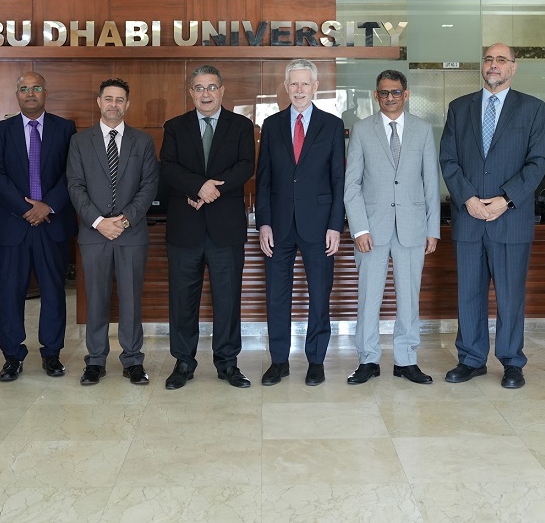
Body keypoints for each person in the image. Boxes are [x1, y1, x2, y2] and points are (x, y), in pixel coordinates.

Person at [439, 43, 545, 389]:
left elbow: (537, 163)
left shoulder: (532, 108)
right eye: (488, 59)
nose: (494, 65)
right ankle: (471, 359)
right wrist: (468, 198)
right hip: (469, 217)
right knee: (468, 293)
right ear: (481, 66)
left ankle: (512, 362)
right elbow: (448, 159)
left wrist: (505, 199)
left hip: (509, 218)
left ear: (513, 67)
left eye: (501, 60)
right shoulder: (459, 108)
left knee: (510, 295)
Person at [159, 65, 256, 390]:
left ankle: (228, 363)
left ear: (222, 90)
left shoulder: (241, 125)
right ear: (191, 92)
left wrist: (211, 190)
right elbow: (168, 167)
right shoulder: (175, 126)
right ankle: (183, 361)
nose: (205, 94)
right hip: (185, 228)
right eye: (199, 88)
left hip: (225, 229)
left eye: (211, 87)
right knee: (182, 299)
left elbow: (245, 166)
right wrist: (197, 187)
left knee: (227, 299)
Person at [344, 70, 440, 385]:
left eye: (395, 92)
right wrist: (359, 229)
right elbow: (352, 185)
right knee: (368, 298)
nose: (389, 98)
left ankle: (406, 361)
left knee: (409, 297)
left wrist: (432, 229)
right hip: (371, 230)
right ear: (376, 95)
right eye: (384, 92)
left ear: (406, 94)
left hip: (412, 228)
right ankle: (368, 360)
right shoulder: (361, 130)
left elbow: (430, 183)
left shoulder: (423, 130)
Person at [256, 59, 346, 386]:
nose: (299, 90)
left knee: (319, 294)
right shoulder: (272, 125)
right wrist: (263, 223)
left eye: (304, 84)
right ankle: (279, 360)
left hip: (320, 226)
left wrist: (336, 225)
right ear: (286, 86)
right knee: (277, 295)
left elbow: (339, 180)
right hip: (278, 226)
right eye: (293, 84)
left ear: (315, 86)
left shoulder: (332, 125)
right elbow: (263, 179)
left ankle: (316, 360)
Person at [0, 72, 77, 382]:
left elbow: (71, 174)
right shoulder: (0, 130)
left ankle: (52, 354)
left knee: (54, 291)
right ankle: (12, 356)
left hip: (53, 223)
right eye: (23, 88)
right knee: (11, 292)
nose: (30, 93)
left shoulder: (65, 129)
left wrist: (46, 206)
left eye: (36, 88)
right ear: (17, 94)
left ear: (45, 92)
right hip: (14, 225)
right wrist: (28, 208)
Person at [67, 78, 159, 386]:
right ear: (99, 102)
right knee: (96, 298)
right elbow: (75, 186)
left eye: (120, 100)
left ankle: (133, 360)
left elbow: (149, 186)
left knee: (132, 299)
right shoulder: (80, 141)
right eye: (109, 99)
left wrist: (124, 220)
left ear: (127, 104)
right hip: (94, 234)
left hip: (130, 233)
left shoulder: (142, 141)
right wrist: (98, 221)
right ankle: (95, 361)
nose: (114, 105)